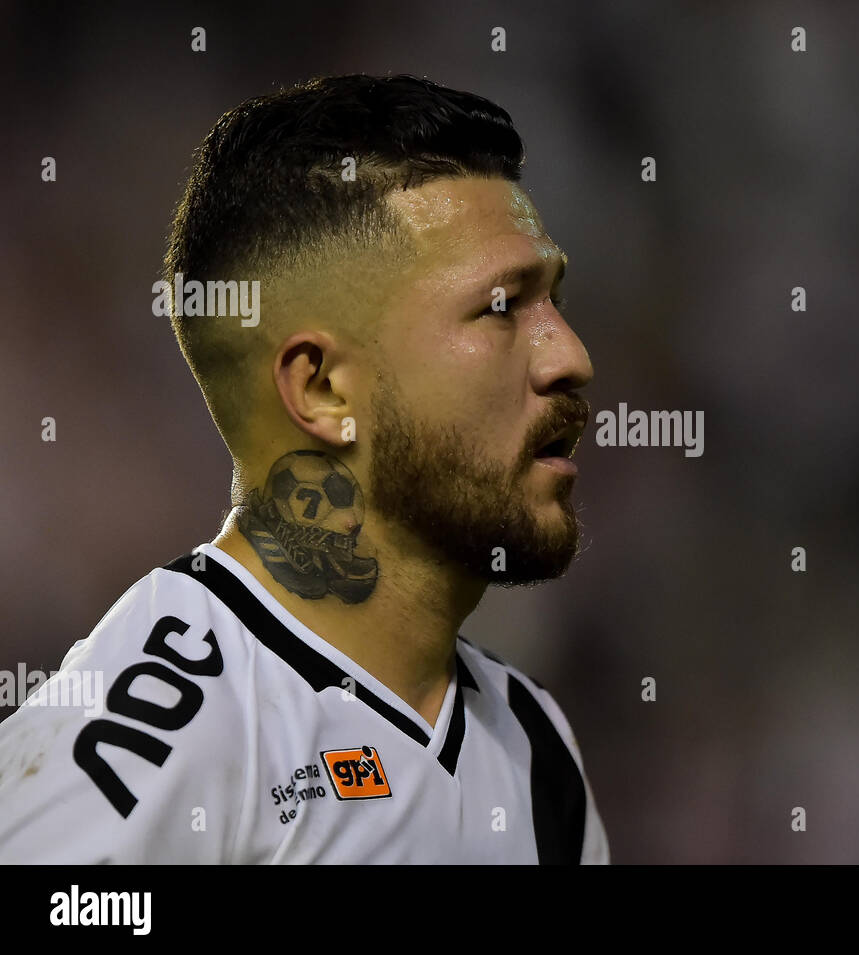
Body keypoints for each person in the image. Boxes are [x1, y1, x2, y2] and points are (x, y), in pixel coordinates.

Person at [0, 74, 608, 863]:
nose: (572, 357)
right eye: (501, 306)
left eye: (554, 299)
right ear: (322, 388)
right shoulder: (161, 726)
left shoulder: (537, 753)